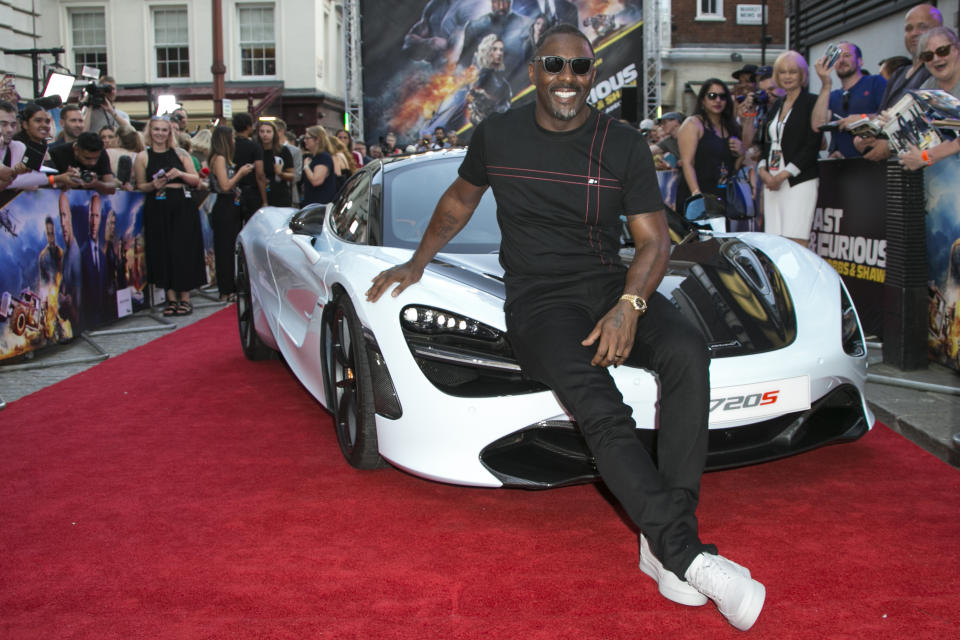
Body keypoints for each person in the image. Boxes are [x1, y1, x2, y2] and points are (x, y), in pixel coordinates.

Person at [365, 24, 766, 631]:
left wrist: (629, 305)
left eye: (580, 69)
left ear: (592, 74)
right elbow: (458, 202)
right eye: (555, 66)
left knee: (687, 351)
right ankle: (687, 555)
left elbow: (654, 240)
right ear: (534, 72)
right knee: (600, 407)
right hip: (540, 301)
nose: (568, 80)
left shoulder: (622, 141)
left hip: (611, 282)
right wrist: (417, 261)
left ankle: (664, 542)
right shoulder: (498, 135)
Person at [134, 116, 206, 316]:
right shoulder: (142, 157)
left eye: (164, 130)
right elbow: (140, 185)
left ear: (169, 132)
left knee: (183, 250)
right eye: (156, 129)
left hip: (182, 205)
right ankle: (170, 299)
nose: (159, 133)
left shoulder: (180, 153)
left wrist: (180, 175)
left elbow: (196, 181)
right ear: (150, 131)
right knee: (162, 250)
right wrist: (153, 185)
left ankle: (185, 298)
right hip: (158, 206)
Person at [858, 4, 944, 161]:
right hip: (898, 170)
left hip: (934, 169)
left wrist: (890, 145)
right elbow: (884, 116)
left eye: (922, 26)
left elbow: (935, 126)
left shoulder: (939, 71)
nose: (914, 33)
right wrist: (866, 136)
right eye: (909, 28)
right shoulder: (899, 74)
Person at [757, 51, 822, 244]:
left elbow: (813, 144)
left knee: (795, 241)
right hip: (772, 183)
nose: (787, 76)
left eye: (792, 71)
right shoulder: (776, 105)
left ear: (802, 74)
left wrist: (783, 175)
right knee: (774, 242)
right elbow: (764, 144)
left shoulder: (811, 102)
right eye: (783, 72)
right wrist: (763, 172)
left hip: (798, 181)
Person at [675, 79, 744, 217]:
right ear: (702, 100)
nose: (718, 100)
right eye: (712, 96)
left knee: (722, 237)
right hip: (697, 192)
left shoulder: (730, 127)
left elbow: (733, 168)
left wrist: (742, 154)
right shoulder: (693, 123)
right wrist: (696, 194)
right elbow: (687, 163)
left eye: (723, 96)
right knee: (699, 237)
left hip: (722, 194)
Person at [811, 42, 887, 158]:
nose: (841, 60)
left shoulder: (875, 82)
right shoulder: (832, 96)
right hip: (843, 169)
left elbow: (891, 117)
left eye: (847, 55)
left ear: (860, 61)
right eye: (837, 57)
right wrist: (826, 83)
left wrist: (862, 119)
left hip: (873, 163)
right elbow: (817, 126)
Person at [899, 27, 960, 171]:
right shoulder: (927, 87)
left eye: (942, 51)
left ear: (957, 49)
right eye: (928, 56)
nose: (936, 59)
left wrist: (926, 157)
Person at [208, 125, 254, 301]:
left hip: (231, 205)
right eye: (232, 137)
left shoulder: (222, 158)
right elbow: (225, 185)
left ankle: (230, 287)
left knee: (230, 247)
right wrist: (241, 173)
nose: (234, 140)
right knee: (225, 249)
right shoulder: (219, 158)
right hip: (224, 204)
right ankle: (225, 289)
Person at [46, 131, 118, 196]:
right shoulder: (57, 153)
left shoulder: (101, 153)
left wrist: (97, 184)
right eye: (87, 158)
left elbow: (111, 187)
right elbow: (43, 182)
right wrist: (62, 179)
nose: (92, 163)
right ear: (76, 149)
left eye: (96, 158)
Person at [232, 112, 267, 223]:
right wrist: (264, 200)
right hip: (251, 192)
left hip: (233, 190)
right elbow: (260, 174)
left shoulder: (230, 145)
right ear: (248, 127)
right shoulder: (255, 147)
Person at [80, 194, 109, 326]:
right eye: (91, 215)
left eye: (96, 216)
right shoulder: (81, 253)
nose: (93, 221)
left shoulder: (103, 257)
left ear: (101, 218)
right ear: (87, 218)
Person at [58, 192, 82, 330]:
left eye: (64, 215)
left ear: (70, 217)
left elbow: (78, 313)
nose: (62, 223)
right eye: (60, 215)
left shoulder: (74, 254)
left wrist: (68, 304)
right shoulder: (66, 252)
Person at [258, 119, 294, 206]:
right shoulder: (256, 150)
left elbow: (292, 175)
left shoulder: (282, 150)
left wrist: (280, 173)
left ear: (274, 134)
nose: (265, 134)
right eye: (262, 131)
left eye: (268, 132)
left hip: (279, 195)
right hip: (259, 194)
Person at [300, 125, 338, 206]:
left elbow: (316, 181)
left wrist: (306, 166)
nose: (305, 141)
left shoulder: (323, 157)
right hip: (312, 203)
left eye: (307, 138)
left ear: (317, 139)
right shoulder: (314, 157)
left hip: (320, 205)